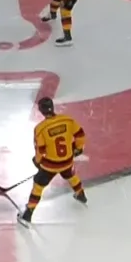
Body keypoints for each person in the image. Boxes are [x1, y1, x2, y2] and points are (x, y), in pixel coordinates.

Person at [19, 97, 87, 227]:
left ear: (41, 110)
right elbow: (80, 135)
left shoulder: (40, 129)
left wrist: (37, 162)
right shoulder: (68, 120)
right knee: (71, 175)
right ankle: (81, 194)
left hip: (50, 165)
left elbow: (40, 150)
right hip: (67, 161)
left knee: (38, 185)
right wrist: (78, 149)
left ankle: (28, 213)